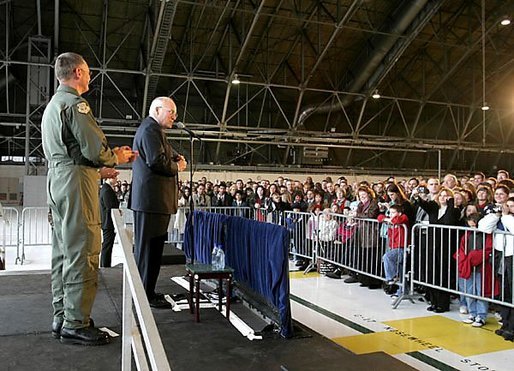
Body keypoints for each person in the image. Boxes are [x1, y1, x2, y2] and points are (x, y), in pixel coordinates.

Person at [41, 52, 134, 346]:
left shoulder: (52, 105)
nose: (90, 77)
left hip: (58, 179)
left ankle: (63, 315)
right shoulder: (75, 104)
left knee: (63, 251)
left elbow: (71, 151)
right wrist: (114, 157)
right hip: (75, 184)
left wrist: (98, 168)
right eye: (89, 72)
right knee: (83, 249)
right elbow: (95, 148)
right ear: (78, 72)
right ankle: (76, 322)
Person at [130, 96, 187, 309]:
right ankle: (144, 295)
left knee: (153, 252)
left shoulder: (155, 131)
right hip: (150, 202)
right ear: (157, 109)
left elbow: (164, 155)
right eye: (171, 112)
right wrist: (177, 167)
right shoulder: (150, 130)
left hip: (155, 202)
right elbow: (157, 161)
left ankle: (148, 291)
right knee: (147, 252)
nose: (175, 116)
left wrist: (175, 158)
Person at [99, 177, 120, 268]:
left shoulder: (105, 188)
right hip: (108, 222)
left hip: (107, 222)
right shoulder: (107, 190)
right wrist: (117, 211)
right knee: (107, 245)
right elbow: (110, 206)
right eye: (114, 178)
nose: (116, 179)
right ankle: (105, 265)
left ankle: (105, 264)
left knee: (107, 245)